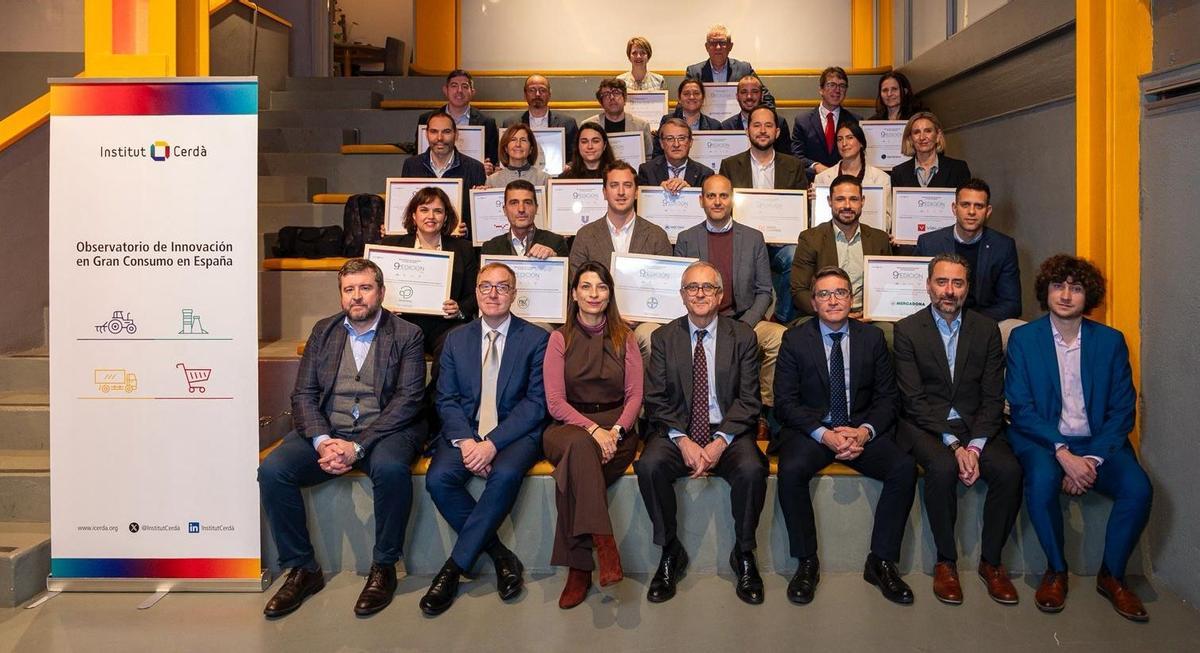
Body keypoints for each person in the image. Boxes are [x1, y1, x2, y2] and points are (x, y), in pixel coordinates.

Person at [259, 258, 427, 618]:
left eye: (365, 288)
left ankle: (383, 567)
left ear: (381, 292)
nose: (357, 296)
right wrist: (322, 441)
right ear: (341, 296)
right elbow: (303, 395)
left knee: (392, 470)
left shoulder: (407, 334)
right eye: (349, 289)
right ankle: (302, 568)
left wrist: (357, 446)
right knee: (273, 470)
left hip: (384, 432)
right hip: (329, 431)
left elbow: (408, 401)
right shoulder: (324, 331)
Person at [1005, 255, 1152, 622]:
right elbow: (1021, 408)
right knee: (1040, 482)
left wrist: (1092, 461)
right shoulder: (1024, 339)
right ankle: (1056, 570)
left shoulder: (1110, 341)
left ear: (1089, 296)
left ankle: (1112, 575)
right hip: (1043, 439)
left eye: (1076, 288)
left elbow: (1121, 412)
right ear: (1046, 291)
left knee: (1139, 488)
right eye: (1059, 286)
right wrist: (1063, 453)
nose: (1066, 295)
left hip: (1099, 443)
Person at [772, 266, 917, 605]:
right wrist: (824, 434)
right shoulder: (795, 339)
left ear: (851, 299)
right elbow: (785, 403)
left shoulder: (872, 338)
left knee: (903, 469)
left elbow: (887, 399)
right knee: (790, 471)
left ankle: (881, 561)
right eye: (824, 294)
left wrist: (864, 433)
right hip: (814, 432)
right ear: (813, 301)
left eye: (840, 293)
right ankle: (806, 562)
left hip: (858, 429)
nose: (833, 300)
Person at [419, 262, 551, 616]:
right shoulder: (455, 340)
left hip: (513, 433)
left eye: (502, 287)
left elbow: (536, 403)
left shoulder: (537, 339)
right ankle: (500, 555)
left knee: (505, 474)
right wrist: (466, 441)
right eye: (485, 287)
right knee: (439, 478)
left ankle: (453, 568)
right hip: (465, 433)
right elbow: (444, 398)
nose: (493, 294)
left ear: (514, 293)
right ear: (475, 292)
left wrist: (491, 444)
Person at [893, 253, 1024, 605]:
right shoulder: (906, 330)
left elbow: (993, 395)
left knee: (1009, 470)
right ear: (928, 286)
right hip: (926, 426)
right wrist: (954, 445)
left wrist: (977, 446)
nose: (948, 291)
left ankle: (992, 563)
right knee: (942, 467)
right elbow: (913, 400)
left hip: (975, 425)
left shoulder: (986, 330)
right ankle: (946, 562)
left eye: (957, 283)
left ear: (968, 288)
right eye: (941, 282)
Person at [636, 261, 769, 605]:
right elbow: (656, 399)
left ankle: (743, 553)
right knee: (649, 465)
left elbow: (748, 399)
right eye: (691, 287)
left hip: (728, 430)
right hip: (678, 430)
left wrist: (719, 442)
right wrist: (683, 441)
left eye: (707, 287)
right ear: (681, 295)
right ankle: (669, 551)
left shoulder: (742, 336)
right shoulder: (664, 337)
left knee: (754, 469)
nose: (699, 294)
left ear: (721, 295)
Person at [542, 261, 644, 608]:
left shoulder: (625, 337)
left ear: (609, 293)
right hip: (568, 426)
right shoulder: (559, 338)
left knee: (577, 462)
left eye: (601, 287)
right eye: (585, 287)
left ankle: (579, 568)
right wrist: (594, 429)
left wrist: (614, 431)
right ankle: (606, 544)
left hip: (618, 429)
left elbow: (634, 396)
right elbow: (555, 402)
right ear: (573, 294)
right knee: (580, 446)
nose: (593, 294)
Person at [674, 174, 786, 423]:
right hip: (699, 322)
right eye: (711, 196)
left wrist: (745, 325)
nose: (717, 202)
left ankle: (764, 415)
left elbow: (764, 290)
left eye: (723, 195)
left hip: (743, 320)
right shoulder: (686, 239)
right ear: (701, 200)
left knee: (778, 338)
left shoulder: (753, 238)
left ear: (732, 199)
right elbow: (681, 291)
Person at [569, 161, 672, 357]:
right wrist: (611, 314)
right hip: (597, 317)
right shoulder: (585, 235)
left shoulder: (657, 235)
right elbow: (577, 283)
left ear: (636, 192)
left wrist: (639, 314)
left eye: (627, 185)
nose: (621, 192)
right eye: (614, 185)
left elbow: (664, 289)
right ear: (604, 192)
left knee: (652, 336)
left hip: (643, 320)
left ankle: (646, 390)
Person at [718, 104, 806, 324]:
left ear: (777, 131)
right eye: (756, 125)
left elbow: (801, 210)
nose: (763, 130)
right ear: (747, 130)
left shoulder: (793, 166)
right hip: (743, 242)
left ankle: (781, 318)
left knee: (795, 255)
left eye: (768, 125)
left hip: (781, 244)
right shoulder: (730, 165)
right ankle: (737, 317)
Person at [380, 187, 477, 355]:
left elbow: (474, 294)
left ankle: (437, 384)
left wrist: (458, 308)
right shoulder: (391, 245)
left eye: (438, 211)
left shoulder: (464, 249)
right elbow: (374, 287)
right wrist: (384, 305)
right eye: (424, 210)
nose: (430, 217)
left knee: (454, 345)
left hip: (445, 325)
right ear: (413, 215)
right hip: (402, 322)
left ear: (446, 217)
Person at [915, 178, 1022, 324]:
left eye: (979, 206)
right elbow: (916, 294)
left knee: (1015, 327)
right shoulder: (929, 243)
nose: (971, 212)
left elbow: (1012, 304)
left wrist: (970, 322)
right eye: (965, 205)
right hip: (938, 320)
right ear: (954, 208)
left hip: (984, 322)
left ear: (988, 211)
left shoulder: (1003, 246)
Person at [791, 175, 892, 320]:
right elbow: (799, 291)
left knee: (892, 336)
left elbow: (887, 287)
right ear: (829, 201)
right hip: (824, 316)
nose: (847, 206)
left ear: (862, 201)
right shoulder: (810, 239)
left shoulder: (879, 239)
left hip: (868, 318)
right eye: (840, 199)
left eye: (853, 199)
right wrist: (834, 314)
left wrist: (872, 313)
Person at [401, 112, 487, 239]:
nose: (439, 138)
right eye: (434, 132)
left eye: (446, 132)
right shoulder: (411, 165)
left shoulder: (475, 168)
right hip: (420, 244)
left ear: (456, 134)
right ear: (426, 134)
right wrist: (393, 227)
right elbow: (407, 208)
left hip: (458, 245)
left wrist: (468, 230)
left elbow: (479, 220)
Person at [813, 122, 894, 232]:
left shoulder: (881, 178)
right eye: (839, 139)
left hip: (869, 239)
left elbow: (887, 219)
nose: (844, 143)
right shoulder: (822, 179)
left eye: (850, 138)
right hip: (831, 239)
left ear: (861, 143)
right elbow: (817, 219)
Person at [417, 69, 499, 169]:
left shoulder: (487, 123)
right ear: (445, 90)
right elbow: (418, 155)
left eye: (465, 86)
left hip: (472, 180)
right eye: (454, 85)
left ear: (472, 92)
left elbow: (493, 160)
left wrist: (488, 167)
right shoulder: (426, 119)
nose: (459, 91)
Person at [791, 66, 861, 181]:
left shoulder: (855, 121)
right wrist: (816, 166)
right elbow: (796, 156)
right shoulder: (802, 121)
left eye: (842, 86)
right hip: (812, 182)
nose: (837, 90)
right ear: (821, 89)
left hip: (845, 181)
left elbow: (859, 156)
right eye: (831, 85)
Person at [480, 179, 568, 258]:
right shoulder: (490, 249)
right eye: (514, 203)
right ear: (505, 210)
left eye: (527, 202)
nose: (521, 209)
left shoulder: (556, 243)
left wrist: (554, 259)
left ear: (536, 208)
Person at [502, 74, 579, 163]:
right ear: (525, 94)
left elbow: (576, 157)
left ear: (549, 94)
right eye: (532, 90)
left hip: (557, 176)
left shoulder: (568, 123)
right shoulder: (510, 123)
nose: (537, 94)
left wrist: (569, 167)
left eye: (542, 90)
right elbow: (503, 156)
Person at [889, 111, 971, 189]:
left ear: (938, 136)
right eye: (916, 132)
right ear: (910, 139)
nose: (922, 137)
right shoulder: (899, 173)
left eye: (928, 131)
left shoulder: (958, 169)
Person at [580, 78, 654, 160]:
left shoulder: (641, 126)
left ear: (625, 98)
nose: (612, 97)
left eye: (616, 93)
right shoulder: (587, 126)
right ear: (601, 102)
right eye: (606, 94)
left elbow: (649, 157)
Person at [720, 74, 792, 155]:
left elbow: (786, 159)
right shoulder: (726, 127)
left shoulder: (779, 123)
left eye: (754, 91)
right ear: (737, 97)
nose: (749, 96)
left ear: (762, 96)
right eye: (744, 92)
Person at [651, 79, 722, 158]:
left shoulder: (714, 125)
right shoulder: (667, 121)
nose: (691, 97)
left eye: (696, 93)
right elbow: (657, 155)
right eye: (686, 94)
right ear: (679, 98)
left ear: (703, 98)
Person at [637, 118, 715, 189]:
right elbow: (642, 203)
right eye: (670, 139)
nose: (676, 144)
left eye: (681, 138)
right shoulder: (647, 171)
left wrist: (689, 192)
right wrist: (659, 193)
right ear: (661, 143)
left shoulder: (705, 174)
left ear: (690, 142)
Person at [487, 123, 551, 188]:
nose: (518, 144)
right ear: (506, 148)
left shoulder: (544, 179)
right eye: (513, 140)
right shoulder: (492, 180)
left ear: (531, 149)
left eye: (523, 140)